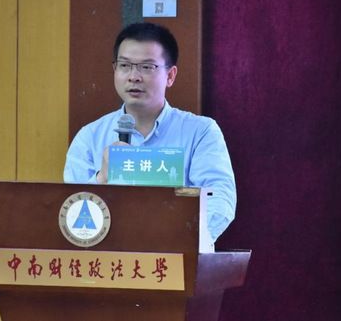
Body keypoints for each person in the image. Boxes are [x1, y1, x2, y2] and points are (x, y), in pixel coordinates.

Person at [63, 22, 236, 241]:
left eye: (147, 67)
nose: (133, 76)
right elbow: (72, 212)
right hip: (108, 256)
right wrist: (101, 178)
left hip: (176, 253)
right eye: (125, 65)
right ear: (115, 70)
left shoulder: (201, 132)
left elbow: (220, 200)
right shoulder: (89, 137)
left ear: (170, 76)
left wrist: (173, 239)